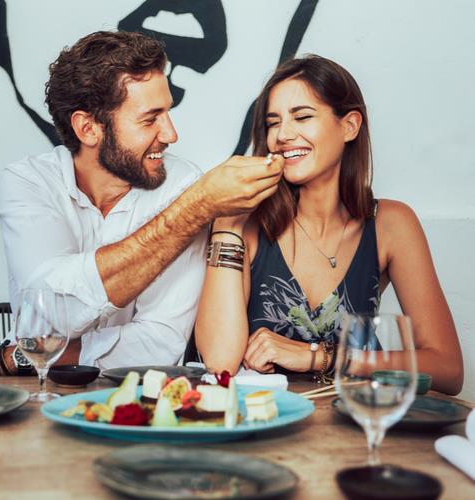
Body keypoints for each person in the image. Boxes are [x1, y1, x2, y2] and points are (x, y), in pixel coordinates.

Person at [0, 30, 284, 375]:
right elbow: (53, 311)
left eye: (167, 113)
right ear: (88, 128)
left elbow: (160, 343)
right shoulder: (28, 183)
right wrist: (195, 209)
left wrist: (23, 356)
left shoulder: (182, 185)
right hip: (33, 395)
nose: (171, 134)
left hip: (133, 399)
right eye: (150, 119)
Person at [195, 54, 463, 395]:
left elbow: (447, 369)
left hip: (358, 425)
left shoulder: (392, 224)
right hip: (264, 427)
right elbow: (219, 363)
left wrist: (317, 357)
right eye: (272, 122)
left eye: (302, 117)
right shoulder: (244, 224)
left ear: (349, 126)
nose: (283, 135)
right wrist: (225, 219)